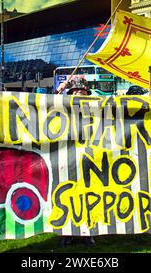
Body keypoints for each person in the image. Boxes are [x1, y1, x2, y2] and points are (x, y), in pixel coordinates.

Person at [60, 77, 95, 247]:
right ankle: (68, 233)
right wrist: (59, 90)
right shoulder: (65, 107)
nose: (78, 94)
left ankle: (87, 234)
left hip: (89, 159)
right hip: (68, 158)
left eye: (81, 92)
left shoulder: (95, 108)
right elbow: (45, 106)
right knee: (67, 196)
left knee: (88, 197)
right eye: (75, 92)